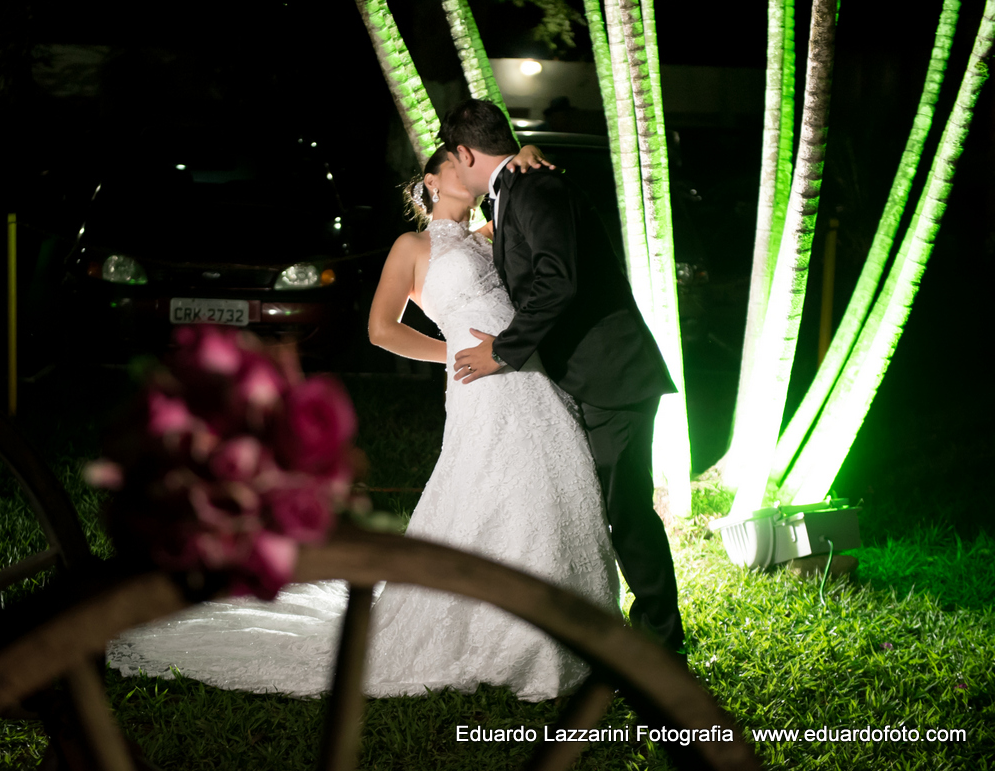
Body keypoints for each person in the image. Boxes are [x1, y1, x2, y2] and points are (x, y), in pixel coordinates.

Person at [105, 141, 622, 702]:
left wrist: (531, 150)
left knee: (547, 488)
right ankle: (511, 637)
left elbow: (556, 237)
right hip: (478, 384)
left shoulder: (494, 233)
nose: (467, 167)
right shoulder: (413, 246)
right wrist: (450, 354)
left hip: (530, 373)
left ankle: (564, 626)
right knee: (498, 486)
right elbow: (382, 329)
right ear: (431, 180)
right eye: (454, 160)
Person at [446, 99, 685, 657]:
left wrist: (502, 352)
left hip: (614, 377)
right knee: (596, 506)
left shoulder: (537, 189)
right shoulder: (517, 189)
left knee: (626, 510)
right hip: (579, 378)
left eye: (453, 161)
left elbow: (558, 280)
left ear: (465, 152)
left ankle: (660, 638)